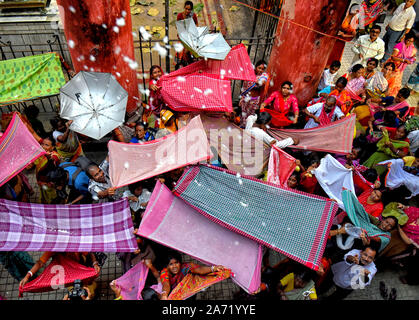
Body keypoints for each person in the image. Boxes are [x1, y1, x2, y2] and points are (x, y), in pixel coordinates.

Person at [19, 252, 101, 298]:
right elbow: (40, 262)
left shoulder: (75, 244)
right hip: (66, 275)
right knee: (79, 290)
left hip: (80, 268)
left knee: (89, 285)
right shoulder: (53, 248)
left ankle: (90, 293)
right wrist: (28, 276)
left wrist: (95, 263)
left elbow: (90, 253)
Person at [159, 251, 226, 300]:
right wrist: (164, 294)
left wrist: (214, 268)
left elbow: (200, 270)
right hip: (172, 294)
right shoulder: (164, 272)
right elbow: (166, 284)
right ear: (167, 266)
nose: (174, 266)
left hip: (186, 293)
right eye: (171, 264)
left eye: (176, 263)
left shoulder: (186, 267)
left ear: (180, 263)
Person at [385, 32, 417, 97]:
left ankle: (389, 97)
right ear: (405, 39)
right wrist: (403, 60)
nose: (409, 43)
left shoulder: (411, 48)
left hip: (400, 70)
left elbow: (413, 56)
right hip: (392, 67)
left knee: (395, 85)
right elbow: (393, 57)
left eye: (411, 41)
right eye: (408, 40)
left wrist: (412, 59)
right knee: (387, 81)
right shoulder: (399, 45)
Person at [239, 60, 269, 126]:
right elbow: (244, 87)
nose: (261, 70)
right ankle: (242, 127)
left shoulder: (264, 75)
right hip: (246, 98)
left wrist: (255, 79)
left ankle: (248, 128)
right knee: (243, 113)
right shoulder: (250, 74)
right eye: (259, 68)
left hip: (254, 99)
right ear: (255, 67)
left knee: (250, 115)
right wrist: (241, 97)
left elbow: (262, 82)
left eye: (263, 69)